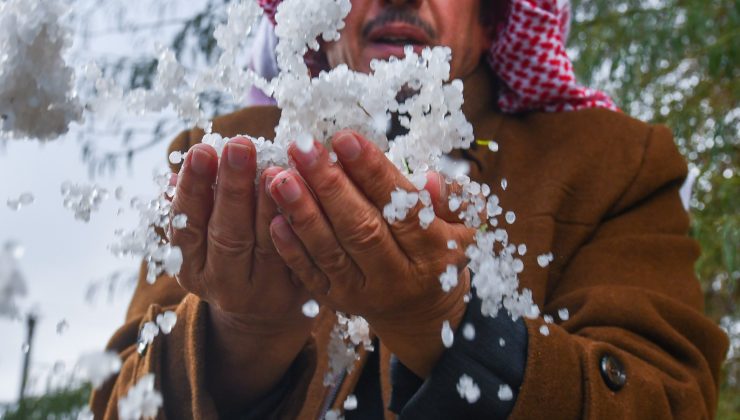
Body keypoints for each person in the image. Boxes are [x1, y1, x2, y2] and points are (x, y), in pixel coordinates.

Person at [91, 0, 729, 418]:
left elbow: (671, 402)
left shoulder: (614, 163)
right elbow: (119, 405)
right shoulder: (223, 154)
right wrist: (240, 335)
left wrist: (454, 326)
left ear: (492, 21)